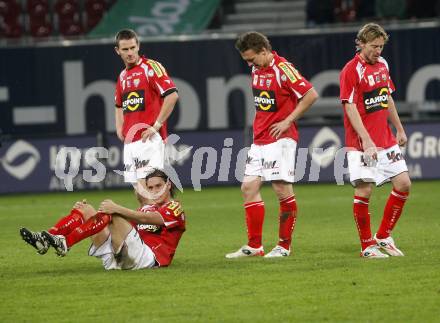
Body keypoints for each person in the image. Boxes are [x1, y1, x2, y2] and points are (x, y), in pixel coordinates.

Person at [226, 32, 318, 258]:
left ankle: (284, 246)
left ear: (264, 51)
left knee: (281, 189)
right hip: (260, 138)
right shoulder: (256, 69)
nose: (248, 64)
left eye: (251, 59)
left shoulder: (283, 69)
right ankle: (255, 246)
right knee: (248, 188)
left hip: (281, 138)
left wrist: (288, 121)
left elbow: (310, 94)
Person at [339, 23, 411, 258]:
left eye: (381, 46)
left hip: (386, 139)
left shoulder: (383, 65)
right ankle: (367, 246)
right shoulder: (351, 70)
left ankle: (383, 236)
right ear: (360, 43)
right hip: (361, 143)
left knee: (403, 184)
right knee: (364, 190)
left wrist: (399, 129)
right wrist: (367, 140)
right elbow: (349, 107)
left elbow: (386, 97)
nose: (378, 51)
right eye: (373, 46)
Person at [19, 170, 186, 269]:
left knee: (112, 212)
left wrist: (117, 209)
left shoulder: (174, 208)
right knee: (84, 209)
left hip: (147, 259)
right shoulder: (146, 205)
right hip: (119, 256)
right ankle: (47, 238)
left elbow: (147, 218)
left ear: (169, 185)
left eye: (159, 186)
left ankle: (66, 242)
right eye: (150, 187)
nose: (154, 190)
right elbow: (139, 191)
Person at [114, 29, 179, 205]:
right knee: (141, 194)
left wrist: (156, 125)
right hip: (130, 142)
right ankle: (152, 230)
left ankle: (171, 225)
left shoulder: (151, 67)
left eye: (132, 48)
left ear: (138, 46)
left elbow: (172, 95)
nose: (130, 53)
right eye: (125, 49)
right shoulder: (122, 76)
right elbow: (119, 105)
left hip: (149, 139)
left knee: (154, 190)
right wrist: (119, 127)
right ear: (117, 51)